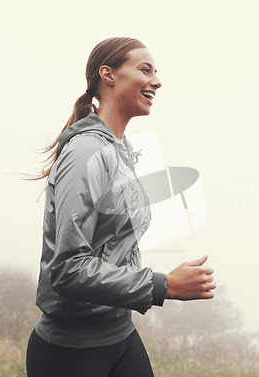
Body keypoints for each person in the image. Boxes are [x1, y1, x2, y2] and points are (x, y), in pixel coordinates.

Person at [25, 37, 216, 377]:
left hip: (120, 334)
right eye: (145, 70)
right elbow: (67, 269)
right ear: (108, 75)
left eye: (156, 72)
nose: (157, 81)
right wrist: (164, 285)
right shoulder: (86, 153)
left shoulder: (121, 151)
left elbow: (112, 245)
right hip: (70, 350)